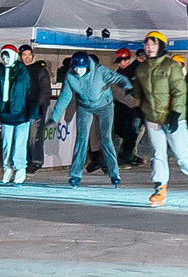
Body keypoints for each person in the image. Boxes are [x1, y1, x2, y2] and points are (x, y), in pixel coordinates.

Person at [134, 31, 188, 206]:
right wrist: (138, 109)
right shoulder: (142, 68)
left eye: (153, 44)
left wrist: (175, 113)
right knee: (158, 154)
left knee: (182, 155)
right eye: (147, 45)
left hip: (173, 118)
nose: (150, 48)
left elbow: (179, 91)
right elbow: (138, 92)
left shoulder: (171, 66)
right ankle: (160, 188)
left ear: (161, 46)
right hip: (152, 117)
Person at [49, 52, 127, 188]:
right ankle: (75, 175)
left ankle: (114, 173)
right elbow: (65, 97)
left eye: (81, 68)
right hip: (85, 107)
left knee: (106, 139)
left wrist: (129, 87)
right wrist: (55, 117)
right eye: (76, 68)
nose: (78, 71)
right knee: (81, 139)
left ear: (87, 66)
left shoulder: (100, 71)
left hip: (104, 106)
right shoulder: (70, 76)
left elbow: (117, 78)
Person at [0, 44, 33, 185]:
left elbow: (29, 92)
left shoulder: (23, 71)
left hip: (22, 113)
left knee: (20, 143)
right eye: (3, 56)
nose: (5, 59)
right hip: (6, 112)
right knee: (7, 143)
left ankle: (20, 168)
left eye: (7, 55)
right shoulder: (0, 71)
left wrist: (32, 111)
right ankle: (7, 167)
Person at [21, 46, 52, 176]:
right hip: (22, 107)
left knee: (34, 135)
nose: (27, 58)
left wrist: (41, 105)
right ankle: (25, 159)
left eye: (29, 55)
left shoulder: (39, 70)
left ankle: (36, 160)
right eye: (24, 55)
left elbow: (45, 89)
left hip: (37, 107)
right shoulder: (19, 70)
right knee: (24, 135)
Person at [110, 47, 144, 167]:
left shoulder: (136, 70)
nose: (120, 63)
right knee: (122, 133)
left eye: (122, 61)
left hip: (133, 108)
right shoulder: (119, 73)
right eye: (119, 61)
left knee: (133, 132)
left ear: (128, 59)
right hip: (123, 108)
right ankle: (120, 157)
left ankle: (127, 155)